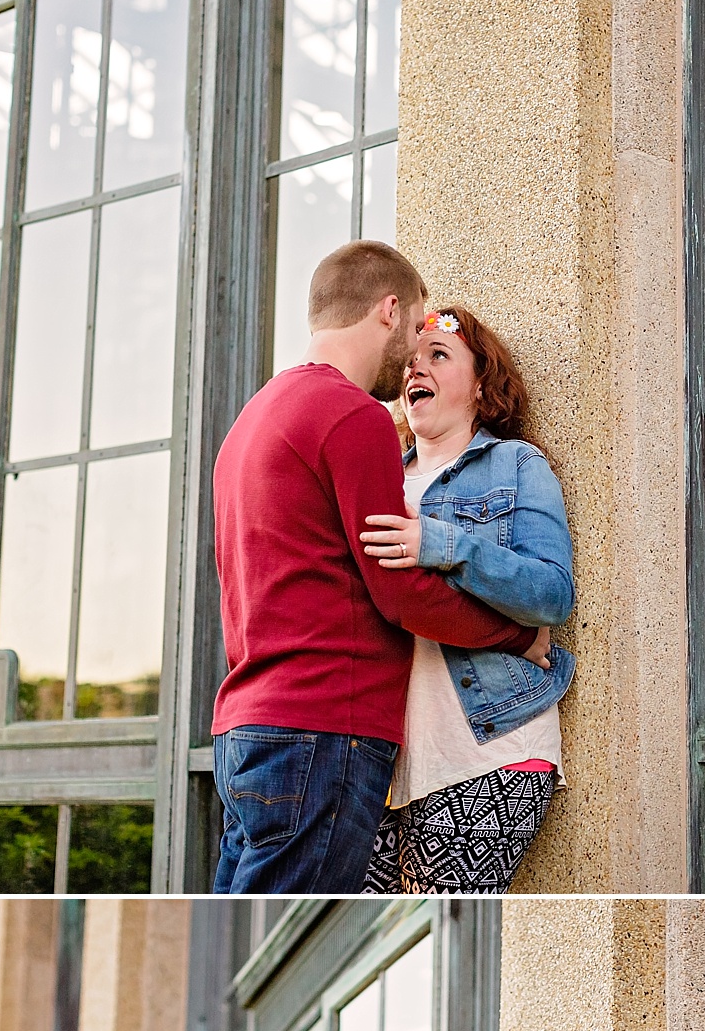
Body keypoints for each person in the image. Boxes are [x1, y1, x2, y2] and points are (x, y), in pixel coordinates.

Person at [209, 245, 551, 894]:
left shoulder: (250, 422)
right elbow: (400, 591)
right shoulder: (352, 415)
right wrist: (516, 635)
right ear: (390, 310)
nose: (417, 350)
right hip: (322, 732)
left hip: (246, 729)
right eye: (419, 323)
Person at [358, 306, 576, 895]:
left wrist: (442, 543)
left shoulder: (516, 465)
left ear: (480, 384)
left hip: (492, 751)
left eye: (438, 355)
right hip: (382, 767)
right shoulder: (378, 480)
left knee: (446, 919)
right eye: (410, 359)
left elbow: (553, 595)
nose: (414, 369)